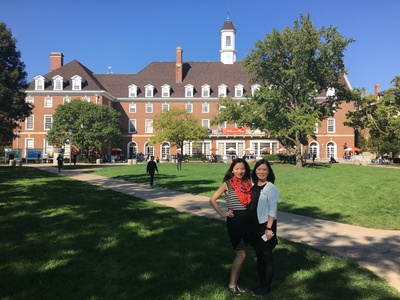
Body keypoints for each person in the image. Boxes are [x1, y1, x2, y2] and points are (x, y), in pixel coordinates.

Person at [209, 158, 252, 296]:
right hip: (235, 224)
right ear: (232, 170)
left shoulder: (248, 183)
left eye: (242, 168)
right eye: (237, 168)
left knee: (243, 256)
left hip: (247, 224)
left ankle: (236, 283)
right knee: (241, 254)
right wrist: (222, 214)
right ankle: (231, 284)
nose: (240, 171)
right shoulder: (227, 184)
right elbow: (212, 199)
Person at [249, 159, 279, 297]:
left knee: (266, 256)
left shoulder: (270, 188)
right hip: (255, 226)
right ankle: (261, 285)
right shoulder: (253, 186)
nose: (261, 172)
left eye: (264, 170)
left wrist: (268, 228)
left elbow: (273, 209)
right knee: (259, 255)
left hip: (266, 225)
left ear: (269, 172)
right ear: (255, 170)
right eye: (259, 169)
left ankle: (266, 289)